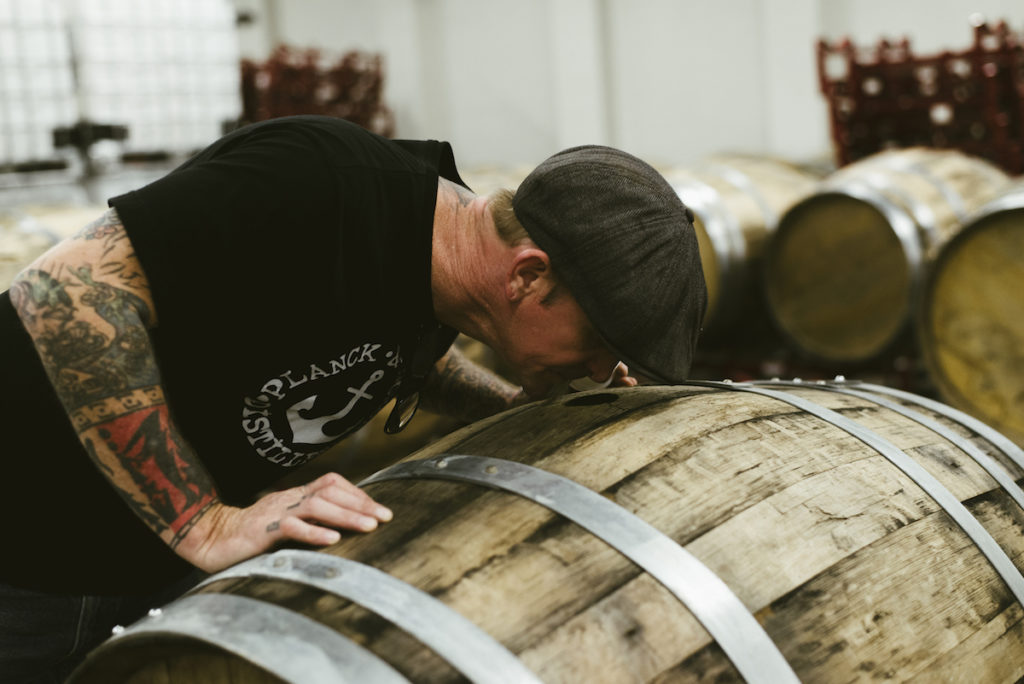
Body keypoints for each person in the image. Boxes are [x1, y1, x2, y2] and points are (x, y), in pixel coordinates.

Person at [0, 114, 706, 681]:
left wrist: (510, 408)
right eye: (599, 341)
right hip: (28, 551)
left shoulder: (444, 277)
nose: (598, 365)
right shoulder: (315, 185)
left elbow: (378, 360)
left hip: (145, 563)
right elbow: (63, 294)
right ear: (528, 276)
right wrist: (201, 522)